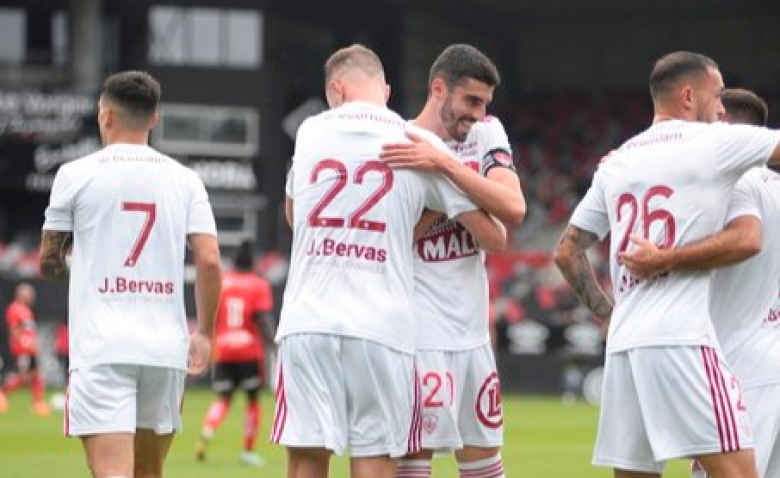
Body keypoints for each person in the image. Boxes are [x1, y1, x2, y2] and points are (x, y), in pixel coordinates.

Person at [272, 44, 506, 478]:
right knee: (375, 458)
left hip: (308, 319)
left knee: (306, 459)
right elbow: (494, 233)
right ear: (386, 90)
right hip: (382, 327)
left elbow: (292, 216)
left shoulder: (310, 132)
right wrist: (426, 208)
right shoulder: (417, 143)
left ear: (336, 90)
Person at [553, 51, 780, 478]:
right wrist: (667, 260)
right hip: (682, 336)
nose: (720, 110)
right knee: (738, 472)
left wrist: (610, 316)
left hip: (624, 346)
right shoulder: (712, 141)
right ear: (690, 95)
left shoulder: (617, 160)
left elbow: (566, 252)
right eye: (716, 98)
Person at [38, 70, 222, 478]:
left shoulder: (75, 174)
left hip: (102, 348)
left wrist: (86, 265)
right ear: (154, 119)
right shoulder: (186, 180)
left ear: (105, 116)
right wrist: (206, 333)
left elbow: (48, 263)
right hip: (163, 349)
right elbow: (209, 261)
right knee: (149, 473)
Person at [379, 44, 526, 478]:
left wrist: (443, 168)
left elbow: (512, 210)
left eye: (484, 103)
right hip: (417, 338)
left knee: (486, 468)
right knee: (414, 467)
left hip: (473, 338)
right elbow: (393, 242)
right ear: (439, 89)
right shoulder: (400, 143)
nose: (478, 114)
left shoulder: (487, 132)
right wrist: (449, 200)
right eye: (471, 101)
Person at [617, 88, 780, 478]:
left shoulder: (734, 183)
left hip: (738, 360)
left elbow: (747, 240)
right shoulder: (774, 187)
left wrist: (663, 260)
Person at [196, 239, 275, 467]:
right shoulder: (258, 285)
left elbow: (211, 313)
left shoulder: (224, 282)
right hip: (248, 351)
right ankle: (248, 451)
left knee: (223, 398)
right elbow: (262, 318)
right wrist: (273, 345)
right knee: (252, 401)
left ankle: (208, 430)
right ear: (252, 262)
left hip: (224, 349)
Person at [0, 282, 50, 416]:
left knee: (35, 374)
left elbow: (29, 330)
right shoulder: (15, 309)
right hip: (23, 348)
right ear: (22, 294)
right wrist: (21, 342)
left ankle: (38, 403)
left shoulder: (27, 310)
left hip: (30, 347)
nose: (32, 297)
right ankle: (2, 393)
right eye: (30, 294)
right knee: (24, 376)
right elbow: (14, 329)